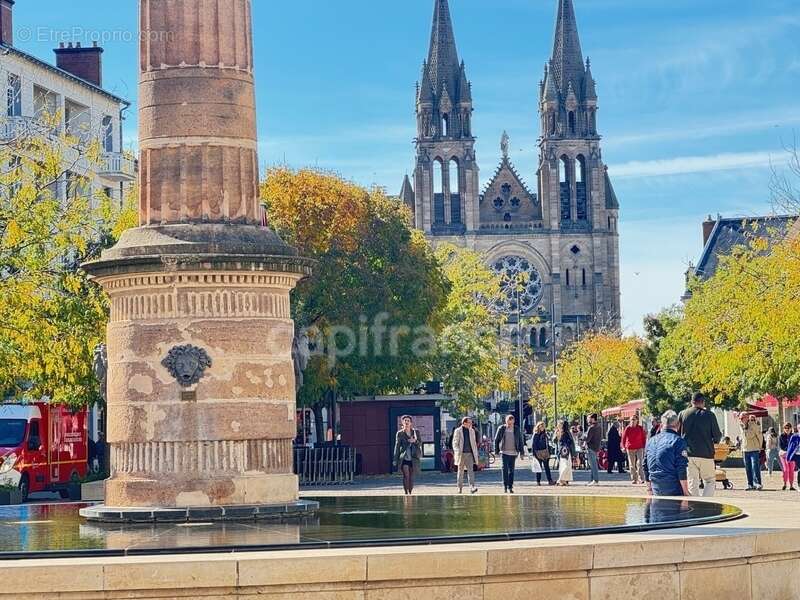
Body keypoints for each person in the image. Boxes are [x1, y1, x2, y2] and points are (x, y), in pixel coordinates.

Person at [678, 392, 722, 497]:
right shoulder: (709, 415)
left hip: (688, 454)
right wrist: (715, 441)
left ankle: (694, 506)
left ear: (691, 402)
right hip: (706, 453)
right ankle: (706, 504)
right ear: (703, 402)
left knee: (692, 481)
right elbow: (717, 435)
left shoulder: (682, 414)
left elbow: (677, 434)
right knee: (710, 480)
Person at [644, 410, 689, 497]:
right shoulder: (678, 441)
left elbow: (645, 465)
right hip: (673, 488)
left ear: (661, 425)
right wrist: (686, 492)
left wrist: (649, 489)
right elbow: (681, 468)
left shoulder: (651, 441)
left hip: (655, 488)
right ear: (678, 425)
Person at [494, 414, 525, 493]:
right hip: (504, 452)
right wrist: (496, 451)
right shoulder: (501, 428)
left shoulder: (517, 429)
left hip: (513, 453)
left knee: (511, 470)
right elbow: (496, 440)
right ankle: (505, 486)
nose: (510, 424)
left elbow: (520, 441)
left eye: (511, 423)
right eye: (508, 422)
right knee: (504, 469)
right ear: (506, 421)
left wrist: (522, 453)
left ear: (513, 421)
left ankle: (510, 486)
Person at [393, 415, 422, 495]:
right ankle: (406, 493)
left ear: (411, 423)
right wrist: (395, 459)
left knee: (412, 476)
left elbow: (420, 443)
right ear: (402, 423)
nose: (406, 422)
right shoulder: (400, 433)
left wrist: (414, 441)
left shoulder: (416, 432)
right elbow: (397, 446)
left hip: (414, 457)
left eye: (408, 421)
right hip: (404, 457)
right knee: (406, 475)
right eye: (405, 421)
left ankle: (410, 492)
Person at [452, 416, 479, 494]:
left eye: (471, 422)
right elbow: (455, 443)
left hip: (470, 454)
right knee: (460, 471)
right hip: (461, 454)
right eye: (469, 422)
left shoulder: (472, 431)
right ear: (464, 423)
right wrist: (457, 451)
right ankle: (459, 488)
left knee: (471, 471)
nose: (471, 424)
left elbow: (474, 443)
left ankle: (472, 487)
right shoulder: (458, 431)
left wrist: (475, 453)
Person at [740, 414, 764, 491]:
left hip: (754, 449)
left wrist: (760, 446)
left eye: (742, 418)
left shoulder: (753, 425)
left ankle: (758, 484)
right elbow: (743, 438)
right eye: (740, 418)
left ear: (746, 418)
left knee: (755, 466)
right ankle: (750, 484)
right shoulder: (741, 425)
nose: (741, 419)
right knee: (748, 468)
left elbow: (759, 436)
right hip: (745, 449)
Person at [622, 415, 647, 484]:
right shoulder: (628, 428)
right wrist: (623, 446)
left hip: (639, 447)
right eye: (631, 420)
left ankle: (641, 478)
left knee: (640, 463)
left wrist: (644, 446)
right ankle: (634, 479)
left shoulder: (640, 428)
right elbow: (623, 438)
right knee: (632, 464)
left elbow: (643, 437)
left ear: (637, 420)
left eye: (634, 419)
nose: (632, 421)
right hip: (630, 447)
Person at [531, 421, 554, 485]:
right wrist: (534, 454)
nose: (542, 427)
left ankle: (550, 480)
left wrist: (549, 451)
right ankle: (538, 481)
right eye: (541, 426)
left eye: (543, 426)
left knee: (547, 467)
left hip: (545, 452)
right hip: (538, 452)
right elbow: (533, 445)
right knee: (539, 467)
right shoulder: (536, 434)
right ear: (538, 427)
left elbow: (548, 443)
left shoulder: (545, 434)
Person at [555, 420, 574, 486]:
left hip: (566, 451)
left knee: (566, 466)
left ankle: (562, 479)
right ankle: (562, 480)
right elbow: (554, 441)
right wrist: (556, 433)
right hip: (561, 451)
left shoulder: (566, 432)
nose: (559, 426)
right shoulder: (558, 432)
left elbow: (571, 442)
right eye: (558, 425)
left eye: (560, 425)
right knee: (563, 466)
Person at [585, 413, 602, 485]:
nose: (587, 420)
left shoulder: (591, 428)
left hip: (590, 447)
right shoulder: (599, 427)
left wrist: (583, 438)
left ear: (592, 419)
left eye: (589, 418)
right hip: (596, 447)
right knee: (593, 464)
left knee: (593, 465)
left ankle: (595, 480)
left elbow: (587, 439)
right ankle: (592, 479)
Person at [779, 423, 796, 491]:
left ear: (791, 428)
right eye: (785, 428)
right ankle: (785, 484)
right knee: (786, 470)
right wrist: (789, 450)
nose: (787, 429)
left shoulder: (794, 436)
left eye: (788, 428)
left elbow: (795, 445)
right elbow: (781, 446)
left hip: (792, 455)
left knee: (791, 470)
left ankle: (791, 485)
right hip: (784, 455)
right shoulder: (781, 436)